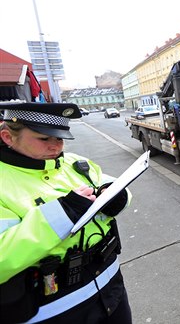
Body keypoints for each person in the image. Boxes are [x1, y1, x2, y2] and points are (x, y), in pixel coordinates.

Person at [0, 102, 132, 323]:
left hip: (112, 290)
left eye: (60, 138)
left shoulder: (75, 163)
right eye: (44, 139)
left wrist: (119, 197)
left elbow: (114, 184)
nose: (55, 147)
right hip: (55, 311)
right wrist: (62, 212)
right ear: (7, 136)